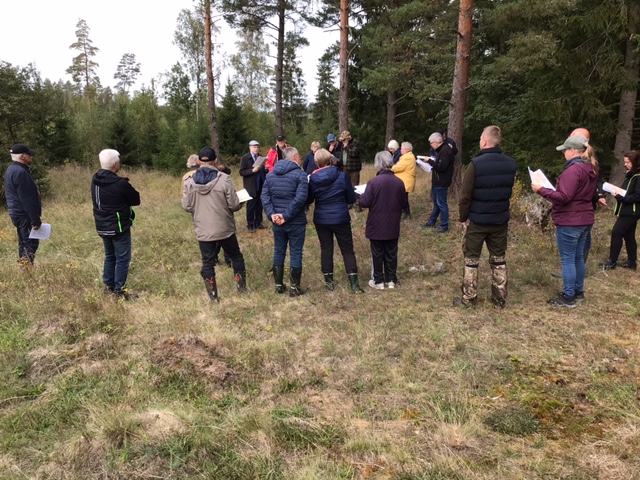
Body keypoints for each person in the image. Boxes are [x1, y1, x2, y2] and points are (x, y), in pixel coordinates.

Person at [532, 135, 599, 308]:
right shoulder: (590, 168)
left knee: (568, 259)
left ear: (572, 151)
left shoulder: (573, 171)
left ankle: (568, 296)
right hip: (585, 217)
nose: (564, 154)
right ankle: (579, 291)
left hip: (570, 219)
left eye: (565, 150)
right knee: (578, 258)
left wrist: (542, 190)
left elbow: (564, 197)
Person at [456, 126, 517, 308]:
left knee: (471, 260)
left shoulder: (476, 164)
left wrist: (462, 217)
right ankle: (499, 299)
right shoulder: (511, 164)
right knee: (499, 259)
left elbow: (465, 195)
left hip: (478, 220)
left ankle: (469, 298)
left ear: (484, 142)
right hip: (500, 220)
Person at [182, 146, 247, 302]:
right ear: (215, 161)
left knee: (207, 262)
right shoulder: (224, 179)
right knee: (236, 257)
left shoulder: (189, 182)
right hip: (224, 227)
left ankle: (213, 296)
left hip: (203, 229)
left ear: (198, 161)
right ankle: (242, 289)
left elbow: (186, 206)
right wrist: (242, 200)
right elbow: (234, 205)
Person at [307, 148, 363, 293]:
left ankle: (329, 284)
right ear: (330, 160)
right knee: (347, 250)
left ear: (316, 163)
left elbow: (310, 199)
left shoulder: (312, 179)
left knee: (326, 249)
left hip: (321, 218)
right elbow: (351, 198)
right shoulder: (341, 176)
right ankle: (354, 285)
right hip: (340, 217)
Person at [91, 149, 141, 299]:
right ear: (115, 164)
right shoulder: (120, 184)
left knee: (110, 256)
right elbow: (136, 200)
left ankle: (109, 286)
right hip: (119, 227)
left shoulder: (95, 179)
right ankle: (119, 290)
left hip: (102, 225)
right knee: (122, 258)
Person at [261, 146, 309, 297]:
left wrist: (273, 214)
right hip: (295, 221)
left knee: (279, 250)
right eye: (299, 156)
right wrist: (285, 216)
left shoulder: (270, 175)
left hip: (278, 221)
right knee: (295, 252)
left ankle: (279, 285)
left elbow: (265, 197)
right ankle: (294, 288)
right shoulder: (300, 174)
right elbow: (301, 198)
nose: (300, 158)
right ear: (295, 157)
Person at [359, 151, 407, 289]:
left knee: (377, 252)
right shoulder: (399, 182)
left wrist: (361, 197)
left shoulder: (373, 182)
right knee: (391, 252)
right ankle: (391, 279)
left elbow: (365, 202)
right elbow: (404, 202)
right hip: (392, 222)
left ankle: (378, 281)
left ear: (378, 163)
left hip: (376, 222)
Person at [598, 150, 640, 270]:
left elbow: (637, 196)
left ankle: (612, 262)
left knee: (616, 233)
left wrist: (621, 197)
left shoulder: (638, 177)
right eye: (625, 162)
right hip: (627, 211)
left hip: (631, 212)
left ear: (635, 162)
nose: (625, 164)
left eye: (628, 162)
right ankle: (632, 262)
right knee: (629, 236)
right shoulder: (630, 176)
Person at [4, 144, 42, 267]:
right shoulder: (20, 172)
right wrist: (35, 219)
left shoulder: (11, 170)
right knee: (30, 243)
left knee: (23, 243)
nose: (31, 156)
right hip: (24, 214)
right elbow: (27, 199)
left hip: (16, 213)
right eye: (28, 154)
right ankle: (26, 271)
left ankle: (24, 268)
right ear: (22, 157)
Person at [424, 132, 454, 233]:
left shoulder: (445, 151)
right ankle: (432, 221)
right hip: (438, 181)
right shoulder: (442, 150)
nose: (431, 145)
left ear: (437, 142)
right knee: (437, 203)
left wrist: (430, 161)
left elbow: (442, 167)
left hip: (442, 181)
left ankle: (444, 225)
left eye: (431, 143)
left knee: (442, 204)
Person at [239, 140, 267, 232]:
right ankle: (250, 225)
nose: (256, 149)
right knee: (251, 206)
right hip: (251, 186)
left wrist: (265, 169)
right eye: (254, 147)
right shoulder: (245, 158)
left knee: (259, 205)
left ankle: (258, 222)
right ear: (250, 148)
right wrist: (252, 171)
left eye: (257, 147)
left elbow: (263, 172)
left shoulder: (261, 157)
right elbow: (241, 172)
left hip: (261, 184)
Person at [391, 141, 417, 219]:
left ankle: (405, 214)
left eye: (402, 149)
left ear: (406, 149)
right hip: (404, 181)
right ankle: (405, 214)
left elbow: (398, 167)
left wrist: (389, 169)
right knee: (403, 198)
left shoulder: (407, 157)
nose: (401, 150)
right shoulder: (408, 156)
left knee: (402, 199)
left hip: (405, 182)